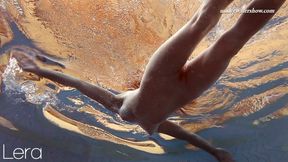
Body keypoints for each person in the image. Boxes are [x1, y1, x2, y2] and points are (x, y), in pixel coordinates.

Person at [11, 0, 286, 161]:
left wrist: (39, 70)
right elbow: (187, 135)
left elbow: (78, 84)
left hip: (158, 75)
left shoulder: (119, 106)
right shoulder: (156, 125)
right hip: (191, 88)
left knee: (201, 22)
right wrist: (215, 152)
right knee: (233, 42)